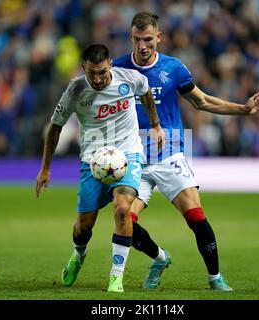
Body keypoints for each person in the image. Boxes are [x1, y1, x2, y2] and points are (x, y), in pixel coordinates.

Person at [112, 11, 259, 291]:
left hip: (169, 154)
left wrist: (244, 109)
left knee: (196, 216)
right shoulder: (116, 69)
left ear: (158, 37)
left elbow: (201, 102)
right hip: (134, 159)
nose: (142, 46)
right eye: (138, 39)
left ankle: (215, 278)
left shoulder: (174, 68)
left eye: (148, 39)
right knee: (124, 216)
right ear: (131, 37)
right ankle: (159, 258)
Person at [35, 44, 164, 293]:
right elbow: (55, 127)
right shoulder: (75, 90)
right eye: (92, 73)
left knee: (123, 208)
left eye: (102, 72)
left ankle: (116, 277)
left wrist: (156, 125)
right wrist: (45, 169)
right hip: (92, 161)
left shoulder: (131, 78)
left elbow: (146, 93)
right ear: (84, 68)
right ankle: (78, 254)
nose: (97, 78)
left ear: (110, 65)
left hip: (128, 154)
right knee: (84, 226)